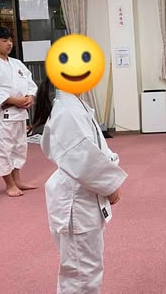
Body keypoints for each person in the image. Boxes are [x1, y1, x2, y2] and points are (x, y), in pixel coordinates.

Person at [31, 77, 127, 293]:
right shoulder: (67, 110)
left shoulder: (73, 104)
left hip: (83, 195)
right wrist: (110, 186)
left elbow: (96, 148)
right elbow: (81, 156)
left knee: (87, 268)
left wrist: (110, 170)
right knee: (81, 274)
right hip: (76, 200)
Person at [0, 26, 38, 197]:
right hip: (1, 117)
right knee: (3, 150)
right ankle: (9, 184)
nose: (9, 43)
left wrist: (30, 96)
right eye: (4, 41)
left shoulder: (17, 64)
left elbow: (30, 82)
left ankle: (18, 180)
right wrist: (15, 100)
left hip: (19, 115)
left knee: (19, 148)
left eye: (10, 40)